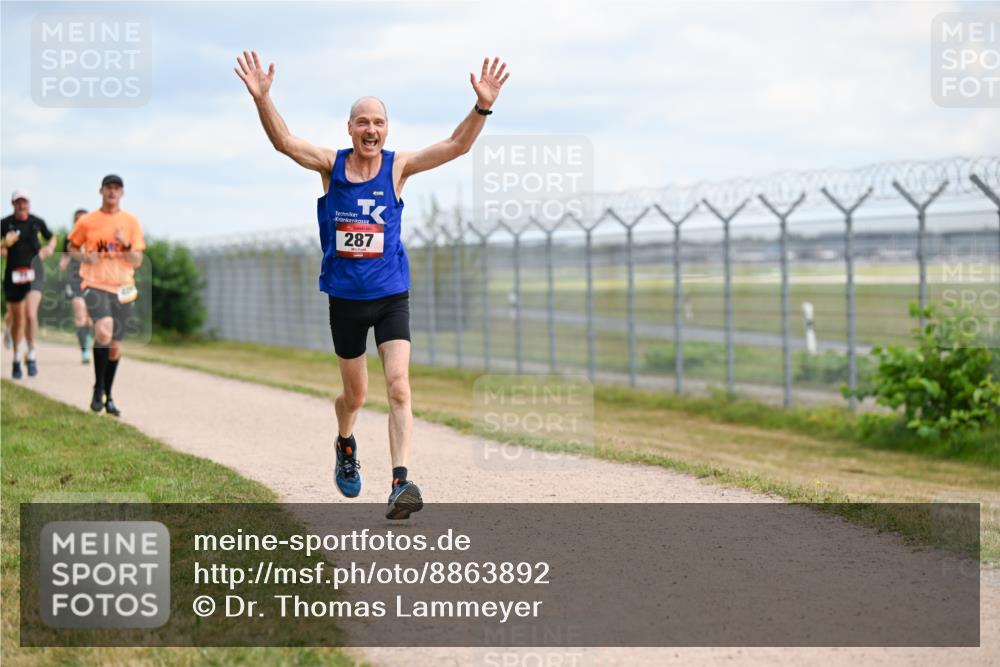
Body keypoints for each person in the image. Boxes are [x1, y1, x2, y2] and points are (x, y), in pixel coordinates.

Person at [235, 50, 509, 519]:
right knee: (356, 397)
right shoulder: (330, 166)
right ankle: (345, 442)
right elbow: (283, 141)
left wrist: (482, 107)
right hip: (345, 299)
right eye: (362, 121)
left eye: (378, 122)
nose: (371, 130)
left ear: (387, 129)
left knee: (399, 387)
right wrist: (263, 99)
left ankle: (401, 482)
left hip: (390, 296)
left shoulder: (396, 168)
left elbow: (455, 146)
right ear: (349, 128)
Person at [67, 175, 145, 417]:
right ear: (101, 191)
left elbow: (138, 261)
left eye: (117, 188)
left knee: (114, 346)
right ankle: (97, 387)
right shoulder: (88, 221)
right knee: (104, 330)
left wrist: (125, 244)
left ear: (122, 193)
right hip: (95, 283)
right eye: (108, 188)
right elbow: (71, 246)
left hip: (123, 287)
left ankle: (108, 395)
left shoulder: (131, 222)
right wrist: (83, 257)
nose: (112, 192)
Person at [2, 190, 55, 378]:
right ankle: (16, 357)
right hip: (13, 275)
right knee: (18, 320)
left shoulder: (36, 222)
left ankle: (31, 355)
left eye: (24, 202)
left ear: (29, 203)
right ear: (13, 204)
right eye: (18, 202)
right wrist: (4, 244)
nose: (21, 205)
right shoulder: (5, 224)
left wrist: (49, 248)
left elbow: (52, 237)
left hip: (34, 273)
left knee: (31, 315)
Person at [60, 208, 94, 363]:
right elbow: (63, 259)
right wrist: (64, 262)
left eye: (83, 219)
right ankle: (85, 352)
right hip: (74, 279)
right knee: (80, 315)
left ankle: (87, 339)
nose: (80, 221)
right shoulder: (69, 240)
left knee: (90, 319)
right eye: (77, 219)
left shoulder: (94, 238)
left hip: (93, 280)